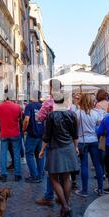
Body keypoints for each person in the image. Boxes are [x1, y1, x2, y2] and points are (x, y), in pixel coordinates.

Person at [39, 92, 79, 217]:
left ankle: (65, 207)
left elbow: (47, 136)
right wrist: (76, 147)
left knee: (53, 177)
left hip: (55, 148)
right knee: (66, 178)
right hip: (68, 147)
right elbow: (75, 135)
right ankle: (64, 207)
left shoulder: (51, 116)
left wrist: (42, 149)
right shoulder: (72, 114)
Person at [35, 79, 62, 207]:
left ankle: (49, 195)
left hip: (51, 138)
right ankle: (61, 195)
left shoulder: (48, 103)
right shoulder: (66, 102)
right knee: (62, 168)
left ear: (51, 88)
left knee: (50, 167)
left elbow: (39, 117)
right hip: (64, 138)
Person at [73, 93, 103, 197]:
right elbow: (99, 125)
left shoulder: (77, 113)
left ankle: (84, 190)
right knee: (97, 164)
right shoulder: (96, 113)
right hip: (94, 140)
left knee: (84, 165)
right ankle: (100, 189)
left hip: (82, 141)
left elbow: (75, 129)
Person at [0, 90, 23, 182]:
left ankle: (3, 174)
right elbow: (20, 118)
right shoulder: (17, 107)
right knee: (16, 154)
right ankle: (17, 175)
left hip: (4, 133)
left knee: (3, 154)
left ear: (5, 96)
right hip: (15, 133)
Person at [23, 91, 45, 183]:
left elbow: (26, 119)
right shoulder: (43, 106)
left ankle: (34, 176)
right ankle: (39, 174)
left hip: (32, 134)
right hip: (41, 134)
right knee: (40, 155)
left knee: (29, 154)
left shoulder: (29, 106)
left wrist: (23, 129)